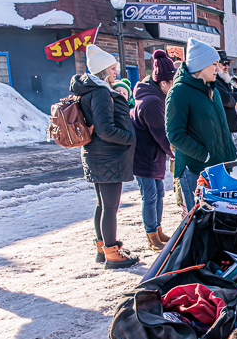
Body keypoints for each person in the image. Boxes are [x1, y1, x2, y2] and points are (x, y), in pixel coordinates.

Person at [71, 45, 139, 270]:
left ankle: (103, 249)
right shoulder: (100, 92)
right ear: (102, 71)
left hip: (97, 154)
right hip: (108, 156)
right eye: (112, 69)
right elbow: (106, 130)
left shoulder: (90, 91)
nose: (116, 72)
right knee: (110, 207)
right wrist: (129, 137)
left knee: (103, 205)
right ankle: (112, 253)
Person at [165, 38, 237, 212]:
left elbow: (221, 127)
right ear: (200, 66)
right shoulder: (179, 92)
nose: (218, 69)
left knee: (221, 219)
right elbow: (175, 134)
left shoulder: (213, 91)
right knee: (199, 220)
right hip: (195, 169)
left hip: (219, 168)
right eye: (214, 64)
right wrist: (203, 155)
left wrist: (229, 152)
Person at [131, 49, 176, 252]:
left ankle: (157, 230)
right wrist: (176, 153)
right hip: (145, 158)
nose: (173, 87)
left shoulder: (155, 97)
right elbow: (161, 134)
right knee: (150, 197)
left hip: (153, 156)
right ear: (163, 83)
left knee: (158, 194)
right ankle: (151, 236)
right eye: (172, 83)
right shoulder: (152, 102)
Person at [215, 50, 237, 134]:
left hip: (228, 126)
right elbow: (226, 99)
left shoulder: (225, 81)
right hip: (220, 126)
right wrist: (233, 100)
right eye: (224, 63)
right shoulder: (214, 81)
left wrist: (231, 97)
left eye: (228, 64)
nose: (226, 66)